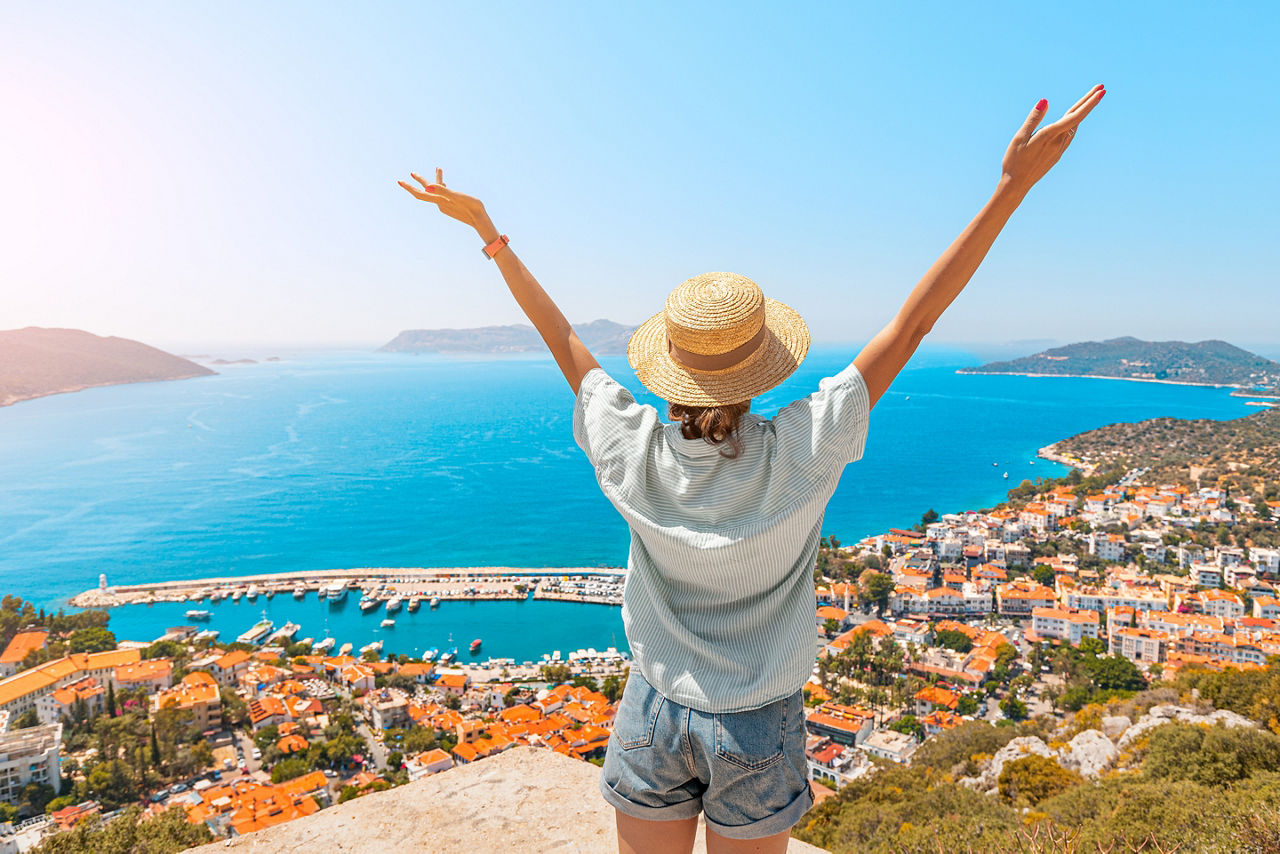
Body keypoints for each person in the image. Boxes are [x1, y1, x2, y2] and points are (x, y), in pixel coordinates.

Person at [398, 83, 1105, 854]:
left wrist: (491, 235)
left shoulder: (629, 445)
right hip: (760, 717)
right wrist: (1010, 189)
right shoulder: (805, 446)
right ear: (761, 369)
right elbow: (915, 322)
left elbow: (563, 338)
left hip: (654, 708)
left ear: (668, 372)